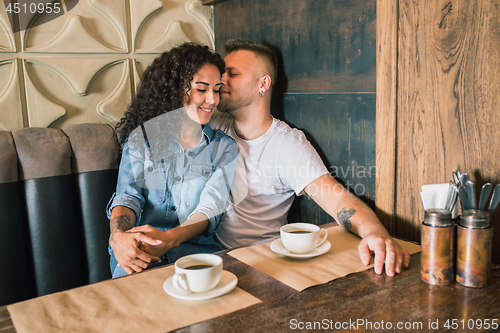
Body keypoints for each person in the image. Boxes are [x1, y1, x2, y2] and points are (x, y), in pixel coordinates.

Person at [210, 39, 410, 277]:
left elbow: (338, 201)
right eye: (222, 73)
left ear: (263, 84)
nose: (221, 80)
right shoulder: (215, 123)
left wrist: (376, 233)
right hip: (213, 254)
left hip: (262, 265)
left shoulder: (286, 145)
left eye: (231, 74)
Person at [107, 43, 238, 278]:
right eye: (202, 89)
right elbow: (128, 197)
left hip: (197, 257)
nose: (212, 100)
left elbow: (210, 209)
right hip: (138, 254)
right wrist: (118, 238)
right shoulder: (141, 140)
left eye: (216, 89)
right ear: (176, 89)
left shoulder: (224, 147)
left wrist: (170, 238)